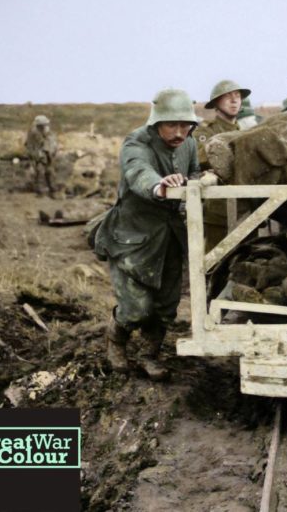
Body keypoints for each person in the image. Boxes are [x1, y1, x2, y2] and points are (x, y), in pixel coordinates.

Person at [94, 88, 200, 381]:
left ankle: (148, 354)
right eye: (172, 125)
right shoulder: (137, 141)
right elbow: (137, 171)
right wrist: (160, 186)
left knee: (166, 305)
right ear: (156, 123)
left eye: (185, 125)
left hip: (170, 238)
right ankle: (115, 341)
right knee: (136, 308)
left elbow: (195, 173)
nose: (180, 132)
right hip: (133, 238)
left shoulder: (189, 143)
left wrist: (196, 180)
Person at [196, 80, 251, 252]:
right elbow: (199, 162)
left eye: (237, 96)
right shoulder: (205, 133)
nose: (234, 101)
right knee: (214, 263)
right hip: (218, 211)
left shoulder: (247, 134)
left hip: (247, 209)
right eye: (228, 97)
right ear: (216, 103)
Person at [24, 115, 58, 196]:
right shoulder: (35, 133)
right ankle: (42, 189)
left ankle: (50, 188)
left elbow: (50, 144)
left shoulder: (44, 132)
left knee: (48, 171)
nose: (47, 126)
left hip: (43, 154)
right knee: (41, 172)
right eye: (45, 124)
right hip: (40, 155)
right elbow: (33, 146)